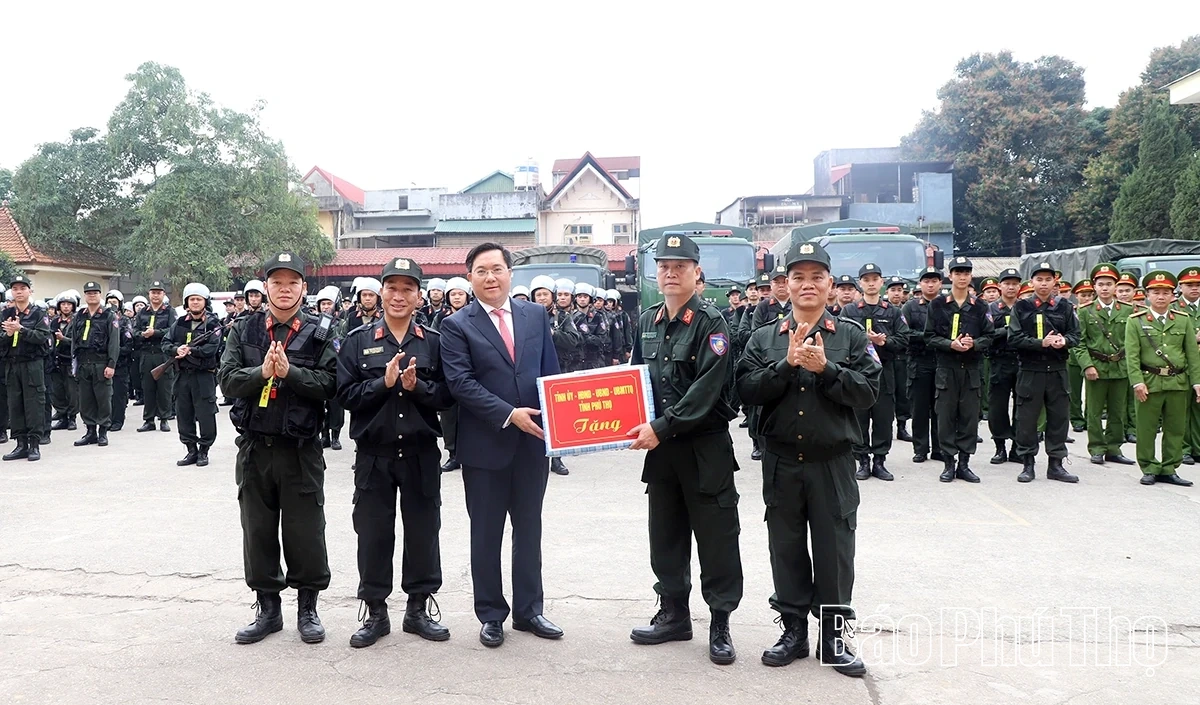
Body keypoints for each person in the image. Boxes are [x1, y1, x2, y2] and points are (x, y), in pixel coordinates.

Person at [736, 240, 879, 677]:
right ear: (787, 284)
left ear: (830, 284)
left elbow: (868, 392)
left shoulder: (851, 336)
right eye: (798, 277)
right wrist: (786, 365)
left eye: (817, 276)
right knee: (786, 547)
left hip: (832, 463)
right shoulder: (765, 337)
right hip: (781, 461)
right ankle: (793, 631)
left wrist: (827, 369)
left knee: (835, 549)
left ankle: (833, 637)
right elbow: (745, 390)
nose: (807, 284)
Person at [438, 242, 563, 649]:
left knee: (529, 530)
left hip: (532, 445)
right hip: (484, 447)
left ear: (510, 273)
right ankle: (491, 614)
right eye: (481, 271)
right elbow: (460, 383)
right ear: (469, 277)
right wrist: (510, 414)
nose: (490, 277)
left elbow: (550, 373)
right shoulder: (456, 325)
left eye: (497, 269)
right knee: (486, 534)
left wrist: (562, 427)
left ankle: (530, 611)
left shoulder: (535, 314)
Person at [627, 233, 742, 665]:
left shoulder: (712, 323)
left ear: (697, 272)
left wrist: (660, 427)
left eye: (680, 266)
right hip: (662, 453)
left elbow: (706, 391)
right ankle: (674, 614)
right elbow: (634, 381)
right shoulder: (647, 320)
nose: (671, 273)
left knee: (716, 540)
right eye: (663, 266)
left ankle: (720, 622)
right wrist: (620, 424)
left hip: (703, 449)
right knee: (666, 536)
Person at [219, 252, 337, 645]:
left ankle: (308, 608)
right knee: (257, 530)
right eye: (277, 282)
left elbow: (332, 384)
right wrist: (262, 372)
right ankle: (268, 609)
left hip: (300, 450)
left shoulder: (320, 331)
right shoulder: (245, 329)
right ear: (265, 287)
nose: (284, 290)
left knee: (306, 532)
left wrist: (292, 373)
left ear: (304, 288)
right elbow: (227, 380)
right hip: (256, 447)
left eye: (292, 283)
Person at [337, 257, 455, 647]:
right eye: (392, 288)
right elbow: (344, 395)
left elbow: (449, 395)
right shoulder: (358, 340)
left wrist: (418, 387)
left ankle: (418, 609)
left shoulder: (434, 342)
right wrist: (383, 384)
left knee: (423, 532)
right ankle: (375, 612)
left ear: (419, 296)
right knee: (373, 534)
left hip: (421, 454)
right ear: (380, 292)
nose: (399, 296)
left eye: (408, 289)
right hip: (375, 455)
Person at [1008, 261, 1080, 483]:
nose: (1044, 284)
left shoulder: (1064, 307)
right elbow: (1014, 338)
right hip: (1031, 370)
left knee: (1059, 418)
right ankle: (1027, 464)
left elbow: (1076, 335)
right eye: (1039, 279)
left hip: (1057, 370)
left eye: (1048, 279)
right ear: (1032, 282)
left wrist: (1064, 341)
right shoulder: (1021, 307)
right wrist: (1041, 343)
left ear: (1054, 282)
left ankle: (1056, 465)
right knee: (1027, 419)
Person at [1126, 271, 1200, 487]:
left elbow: (1192, 355)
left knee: (1175, 428)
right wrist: (1137, 382)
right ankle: (1149, 467)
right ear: (1147, 295)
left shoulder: (1183, 320)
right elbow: (1132, 355)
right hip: (1149, 382)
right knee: (1146, 428)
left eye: (1165, 293)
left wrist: (1196, 382)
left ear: (1172, 296)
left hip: (1177, 382)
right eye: (1156, 292)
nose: (1160, 297)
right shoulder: (1136, 321)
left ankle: (1169, 468)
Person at [926, 257, 994, 483]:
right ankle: (948, 463)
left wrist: (974, 344)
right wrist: (949, 344)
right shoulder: (938, 305)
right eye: (958, 273)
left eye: (966, 273)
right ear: (950, 276)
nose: (962, 277)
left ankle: (964, 463)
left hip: (971, 369)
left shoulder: (980, 306)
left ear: (971, 276)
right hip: (947, 369)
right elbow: (929, 336)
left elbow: (990, 336)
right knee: (945, 417)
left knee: (969, 418)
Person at [840, 263, 909, 481]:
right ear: (860, 283)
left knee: (883, 418)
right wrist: (863, 340)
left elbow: (904, 339)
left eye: (875, 279)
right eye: (866, 280)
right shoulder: (849, 311)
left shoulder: (893, 312)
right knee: (859, 417)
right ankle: (862, 460)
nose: (871, 284)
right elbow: (842, 340)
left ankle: (879, 460)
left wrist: (884, 341)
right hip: (858, 372)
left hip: (884, 372)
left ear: (881, 282)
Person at [1074, 264, 1135, 466]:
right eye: (1101, 284)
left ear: (1116, 286)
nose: (1105, 288)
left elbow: (1134, 341)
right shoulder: (1085, 311)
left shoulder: (1128, 310)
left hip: (1120, 367)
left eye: (1109, 284)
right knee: (1094, 411)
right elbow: (1079, 342)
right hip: (1096, 366)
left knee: (1118, 411)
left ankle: (1114, 448)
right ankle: (1097, 448)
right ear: (1094, 286)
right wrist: (1087, 366)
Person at [163, 283, 222, 467]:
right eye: (192, 299)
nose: (195, 302)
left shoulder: (213, 324)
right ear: (186, 302)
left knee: (206, 414)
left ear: (205, 302)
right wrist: (176, 349)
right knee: (183, 413)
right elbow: (165, 343)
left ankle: (204, 450)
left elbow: (211, 349)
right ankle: (191, 450)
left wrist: (191, 350)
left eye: (198, 299)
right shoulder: (179, 323)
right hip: (182, 376)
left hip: (203, 376)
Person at [533, 275, 582, 476]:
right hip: (533, 371)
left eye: (545, 294)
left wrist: (553, 334)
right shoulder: (525, 316)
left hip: (558, 370)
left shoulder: (562, 317)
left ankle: (557, 458)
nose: (541, 298)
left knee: (558, 416)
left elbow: (573, 339)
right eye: (538, 295)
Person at [0, 275, 51, 461]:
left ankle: (34, 444)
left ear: (30, 291)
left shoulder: (39, 313)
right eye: (15, 289)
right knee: (15, 404)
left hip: (32, 364)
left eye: (22, 288)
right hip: (12, 364)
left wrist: (21, 329)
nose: (19, 292)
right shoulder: (6, 314)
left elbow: (42, 337)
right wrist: (8, 335)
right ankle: (20, 444)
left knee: (34, 403)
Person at [68, 282, 120, 448]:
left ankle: (103, 431)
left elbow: (114, 342)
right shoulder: (79, 315)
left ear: (100, 295)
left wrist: (111, 364)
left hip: (101, 362)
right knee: (86, 400)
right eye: (88, 293)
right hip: (83, 362)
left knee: (103, 399)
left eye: (95, 292)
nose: (92, 295)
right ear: (84, 295)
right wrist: (74, 363)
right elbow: (74, 340)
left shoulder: (109, 315)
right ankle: (90, 431)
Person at [902, 267, 944, 463]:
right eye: (926, 281)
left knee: (940, 408)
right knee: (919, 408)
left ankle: (939, 448)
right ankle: (920, 448)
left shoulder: (946, 305)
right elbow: (904, 333)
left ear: (940, 283)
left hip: (942, 361)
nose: (930, 284)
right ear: (920, 284)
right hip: (919, 362)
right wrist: (930, 337)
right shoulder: (910, 307)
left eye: (934, 281)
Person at [987, 268, 1023, 464]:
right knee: (997, 406)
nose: (1011, 287)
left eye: (1014, 284)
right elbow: (986, 334)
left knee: (1022, 405)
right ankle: (1000, 446)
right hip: (999, 361)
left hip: (1022, 361)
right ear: (1000, 286)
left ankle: (1017, 447)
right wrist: (1007, 330)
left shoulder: (1025, 307)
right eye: (1007, 283)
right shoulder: (990, 309)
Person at [135, 281, 177, 433]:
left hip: (162, 354)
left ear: (163, 294)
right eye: (153, 292)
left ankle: (164, 418)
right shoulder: (142, 312)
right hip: (146, 354)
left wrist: (155, 333)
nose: (155, 295)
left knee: (164, 388)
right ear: (149, 294)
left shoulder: (169, 311)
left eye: (159, 293)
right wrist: (142, 334)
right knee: (148, 388)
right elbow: (134, 331)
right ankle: (149, 420)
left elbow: (172, 330)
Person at [1172, 267, 1200, 465]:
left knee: (1198, 408)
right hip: (1181, 364)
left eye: (1198, 285)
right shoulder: (1174, 308)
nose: (1195, 288)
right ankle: (1184, 449)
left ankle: (1197, 447)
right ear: (1180, 287)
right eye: (1189, 285)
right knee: (1181, 410)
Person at [314, 286, 345, 451]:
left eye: (329, 303)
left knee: (336, 406)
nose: (326, 307)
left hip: (338, 368)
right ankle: (324, 435)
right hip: (320, 368)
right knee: (320, 403)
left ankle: (335, 436)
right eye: (323, 304)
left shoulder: (342, 324)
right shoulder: (313, 323)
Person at [886, 277, 912, 442]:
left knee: (903, 393)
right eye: (893, 290)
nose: (896, 294)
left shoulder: (906, 310)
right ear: (887, 292)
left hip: (903, 357)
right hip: (886, 357)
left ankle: (902, 426)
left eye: (899, 290)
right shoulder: (883, 309)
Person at [49, 292, 80, 431]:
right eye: (63, 304)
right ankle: (62, 417)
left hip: (69, 360)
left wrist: (64, 339)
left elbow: (78, 341)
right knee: (57, 391)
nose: (66, 307)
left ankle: (72, 418)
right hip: (56, 361)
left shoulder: (76, 321)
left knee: (72, 392)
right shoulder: (54, 322)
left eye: (69, 304)